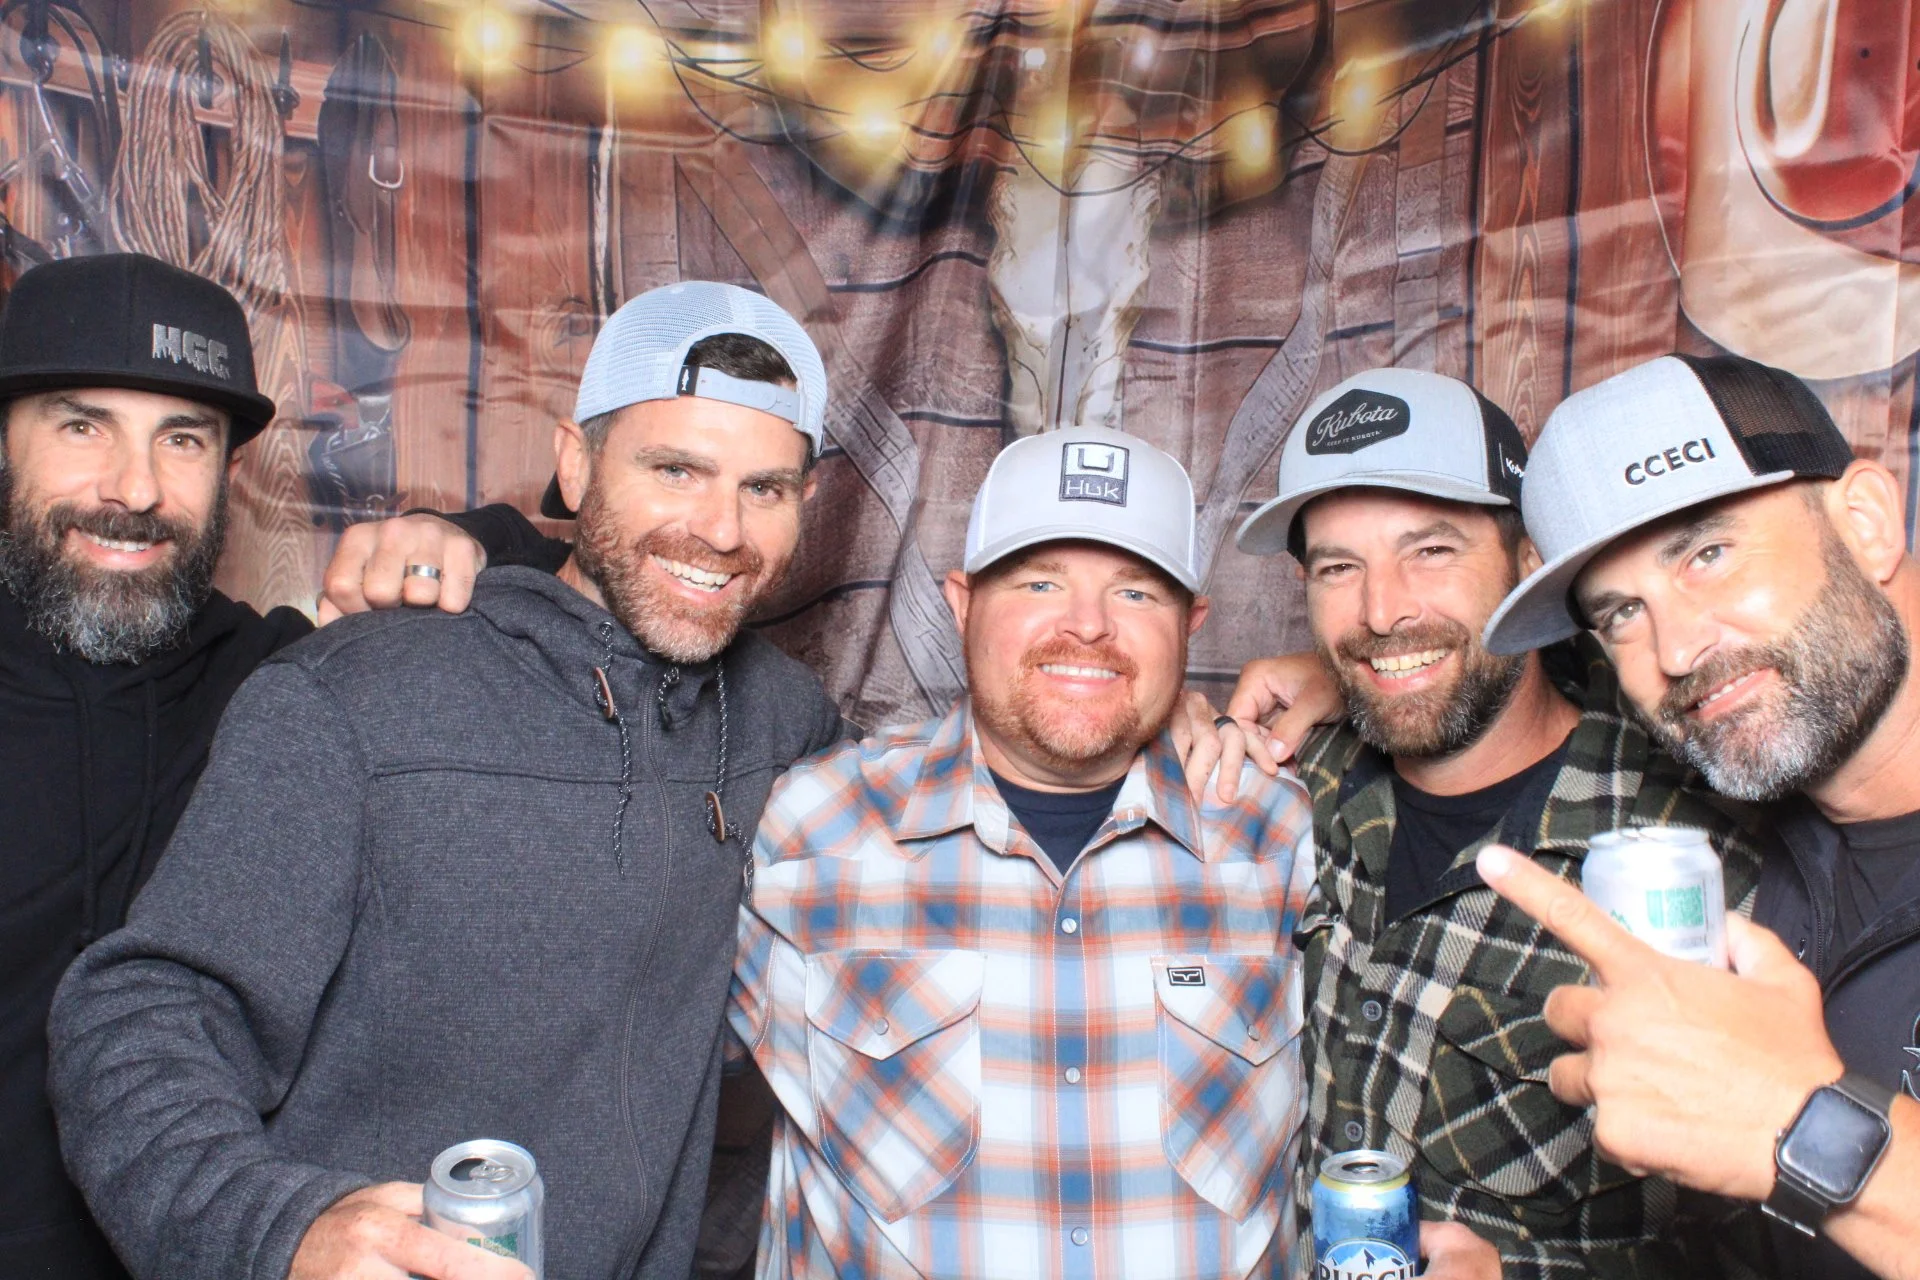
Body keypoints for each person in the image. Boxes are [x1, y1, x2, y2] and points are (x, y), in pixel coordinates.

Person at [46, 280, 855, 1280]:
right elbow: (143, 1017)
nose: (721, 530)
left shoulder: (786, 721)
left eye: (764, 488)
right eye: (676, 469)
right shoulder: (357, 693)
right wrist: (278, 1228)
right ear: (576, 462)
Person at [0, 252, 554, 1279]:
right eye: (82, 427)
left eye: (182, 438)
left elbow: (573, 566)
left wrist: (460, 536)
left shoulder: (277, 684)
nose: (134, 489)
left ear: (228, 470)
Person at [728, 426, 1316, 1278]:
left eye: (1136, 593)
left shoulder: (1280, 831)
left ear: (1191, 626)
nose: (1088, 626)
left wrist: (1341, 677)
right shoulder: (811, 824)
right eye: (1040, 582)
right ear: (962, 603)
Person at [1223, 368, 1770, 1277]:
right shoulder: (1285, 785)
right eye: (1338, 568)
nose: (1383, 610)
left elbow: (1757, 1242)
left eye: (1432, 550)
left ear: (1528, 565)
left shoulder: (1696, 853)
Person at [1474, 352, 1920, 1280]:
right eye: (1620, 614)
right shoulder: (1744, 834)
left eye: (1706, 555)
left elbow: (1779, 1125)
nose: (1676, 650)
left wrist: (1803, 1123)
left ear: (1867, 524)